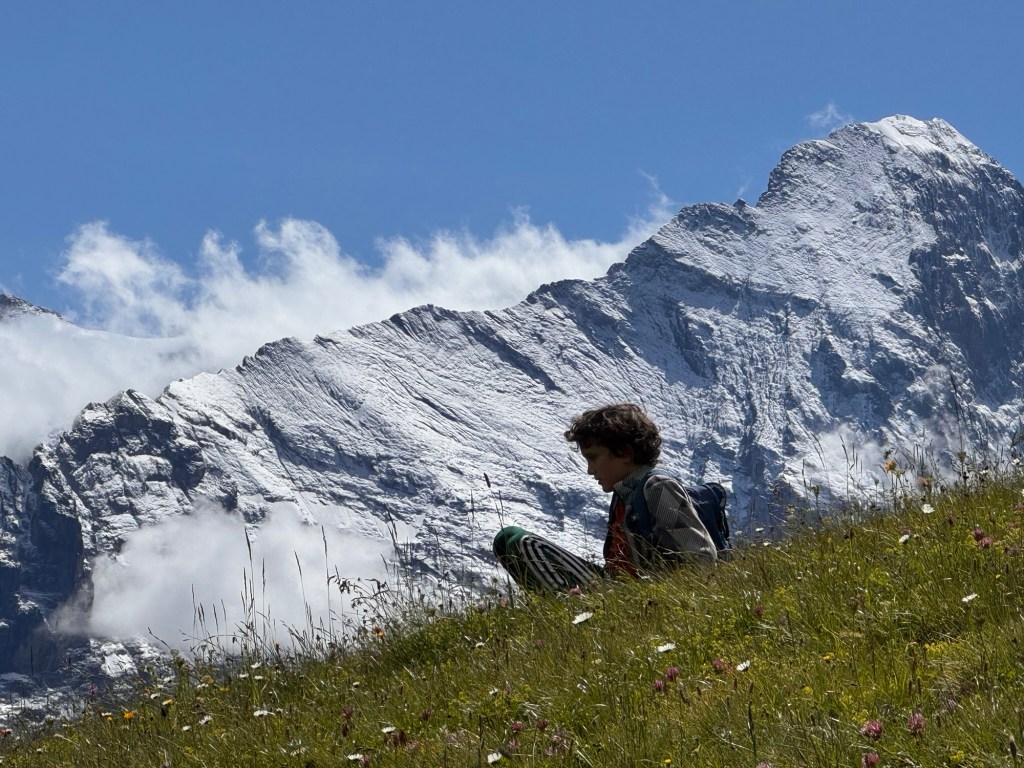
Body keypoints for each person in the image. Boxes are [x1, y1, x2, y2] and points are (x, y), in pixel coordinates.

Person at [493, 403, 720, 593]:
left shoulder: (657, 487)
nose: (590, 470)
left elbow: (701, 558)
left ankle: (574, 612)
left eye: (593, 458)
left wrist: (656, 594)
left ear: (625, 453)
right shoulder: (624, 493)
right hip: (617, 586)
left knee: (525, 544)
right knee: (506, 539)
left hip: (639, 594)